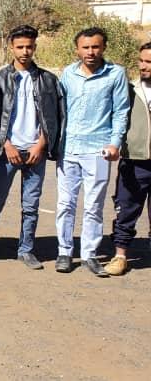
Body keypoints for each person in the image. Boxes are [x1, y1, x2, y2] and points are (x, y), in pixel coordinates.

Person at [0, 25, 63, 269]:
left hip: (36, 152)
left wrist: (42, 144)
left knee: (31, 205)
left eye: (29, 46)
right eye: (20, 47)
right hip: (8, 152)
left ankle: (26, 250)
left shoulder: (48, 80)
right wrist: (6, 144)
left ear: (35, 47)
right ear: (11, 47)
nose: (25, 51)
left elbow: (54, 117)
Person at [55, 27, 129, 277]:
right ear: (77, 49)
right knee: (65, 203)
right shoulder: (68, 73)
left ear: (103, 47)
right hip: (68, 149)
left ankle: (89, 254)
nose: (90, 52)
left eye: (95, 47)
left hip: (98, 149)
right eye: (85, 47)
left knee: (93, 205)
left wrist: (115, 143)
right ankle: (64, 252)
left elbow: (121, 111)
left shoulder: (115, 74)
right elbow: (59, 109)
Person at [105, 42, 151, 276]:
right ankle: (120, 256)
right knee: (126, 209)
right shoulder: (130, 90)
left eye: (149, 62)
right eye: (141, 60)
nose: (143, 66)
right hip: (134, 161)